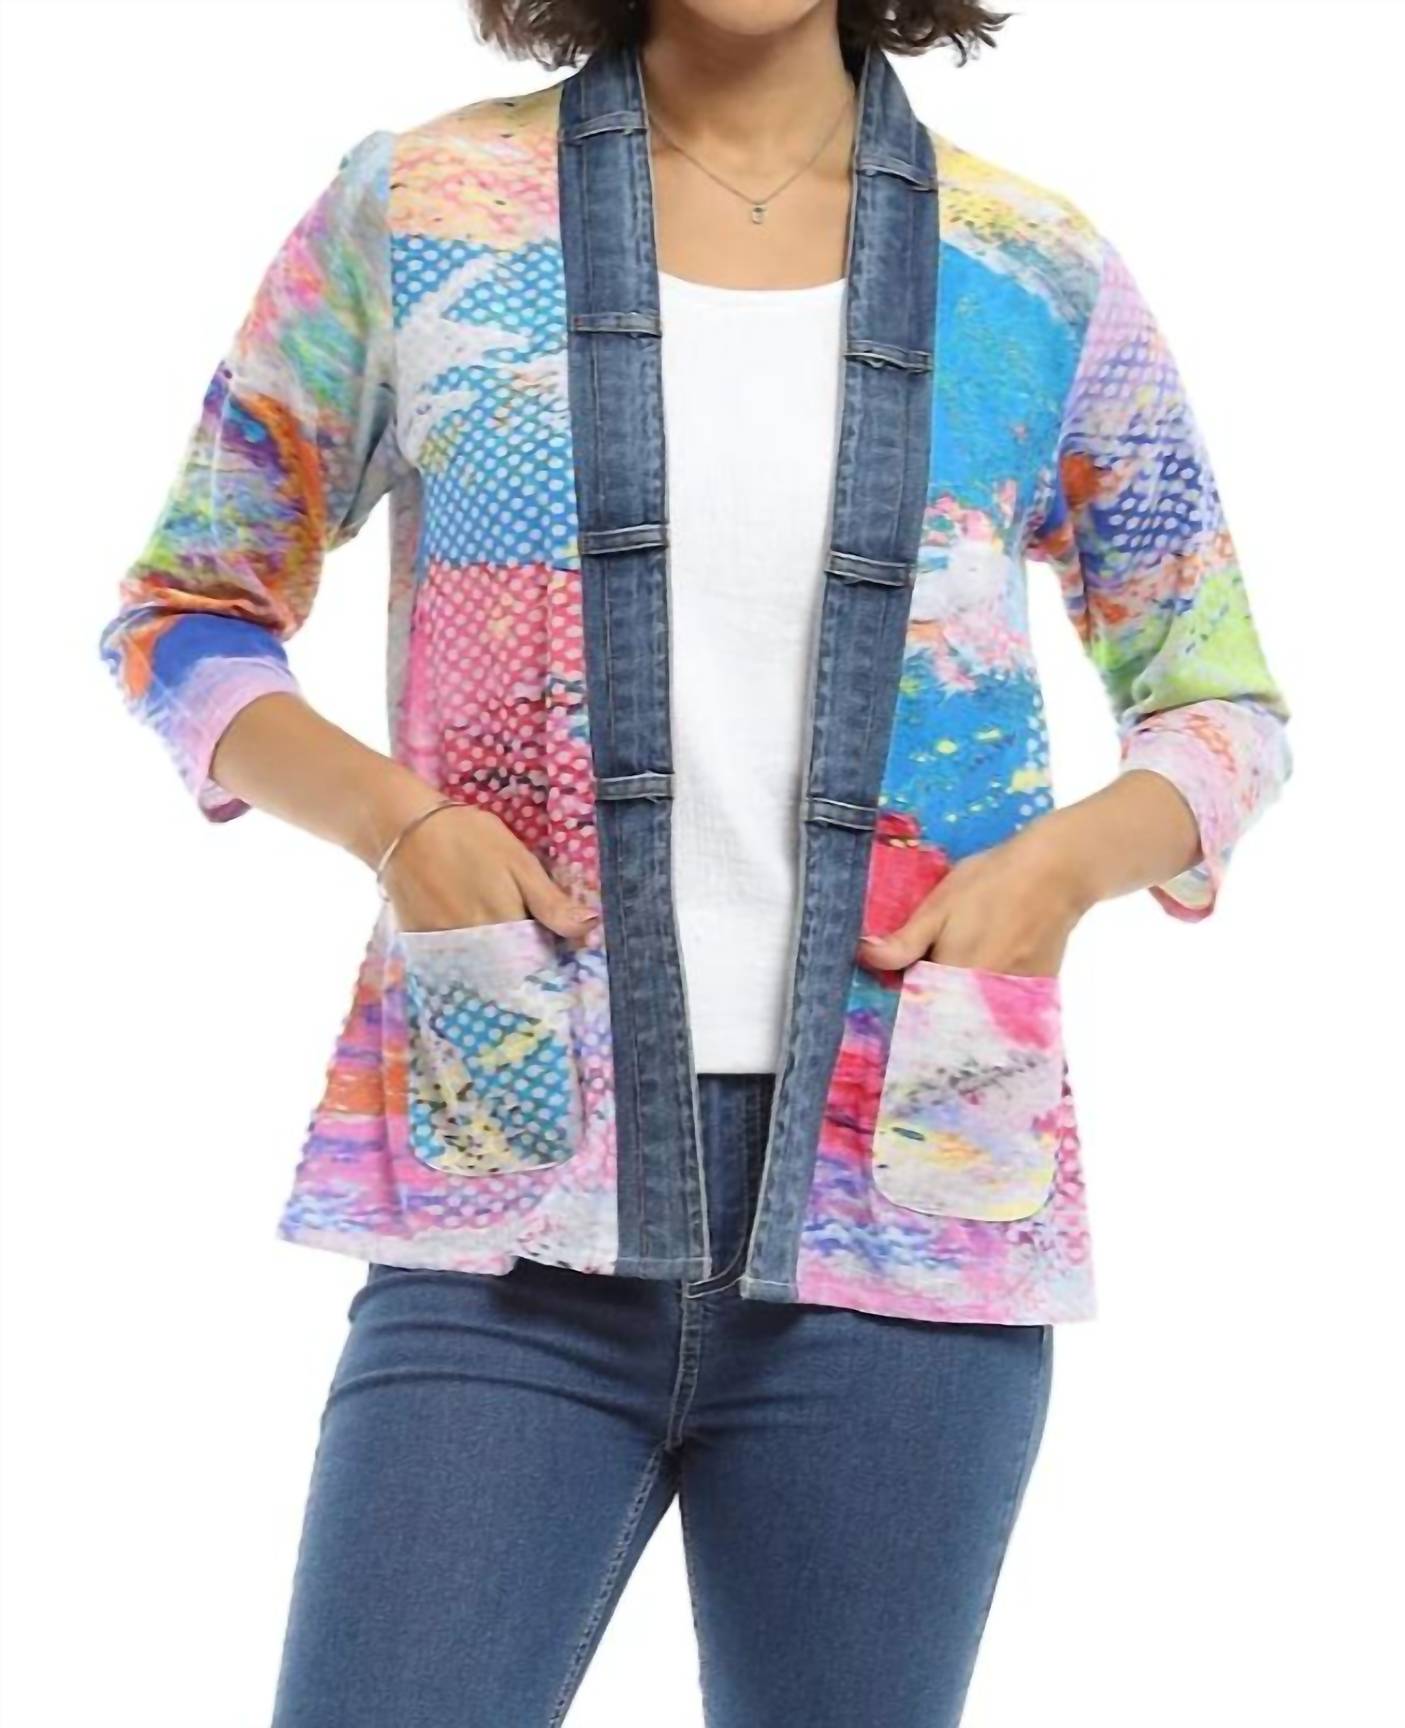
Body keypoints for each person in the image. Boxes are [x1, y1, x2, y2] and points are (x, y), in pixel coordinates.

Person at [97, 0, 1293, 1720]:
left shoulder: (1032, 265)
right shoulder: (423, 209)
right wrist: (398, 824)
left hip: (902, 1210)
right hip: (511, 1205)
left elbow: (1219, 704)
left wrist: (1058, 872)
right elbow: (186, 611)